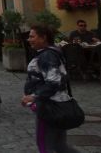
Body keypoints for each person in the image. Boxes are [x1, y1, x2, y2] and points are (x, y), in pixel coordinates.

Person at [22, 24, 79, 153]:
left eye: (32, 37)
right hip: (58, 104)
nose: (29, 39)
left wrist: (33, 96)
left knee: (45, 145)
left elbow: (53, 82)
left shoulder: (47, 56)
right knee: (59, 145)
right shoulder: (53, 52)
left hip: (49, 106)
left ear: (43, 38)